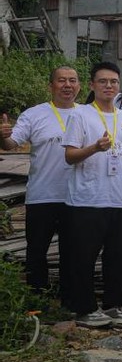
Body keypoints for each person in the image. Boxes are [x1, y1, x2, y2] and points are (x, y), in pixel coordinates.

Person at [62, 62, 122, 328]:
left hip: (120, 197)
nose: (108, 86)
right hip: (88, 198)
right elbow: (69, 156)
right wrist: (94, 148)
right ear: (92, 85)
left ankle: (115, 306)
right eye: (102, 81)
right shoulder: (80, 115)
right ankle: (85, 309)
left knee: (118, 255)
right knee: (84, 256)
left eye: (113, 81)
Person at [1, 66, 80, 294]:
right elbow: (11, 144)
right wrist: (3, 136)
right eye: (61, 80)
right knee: (36, 250)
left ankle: (69, 298)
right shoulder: (34, 114)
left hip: (77, 196)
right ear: (50, 86)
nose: (67, 85)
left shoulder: (87, 113)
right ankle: (37, 298)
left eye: (72, 80)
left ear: (79, 86)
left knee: (73, 250)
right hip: (42, 194)